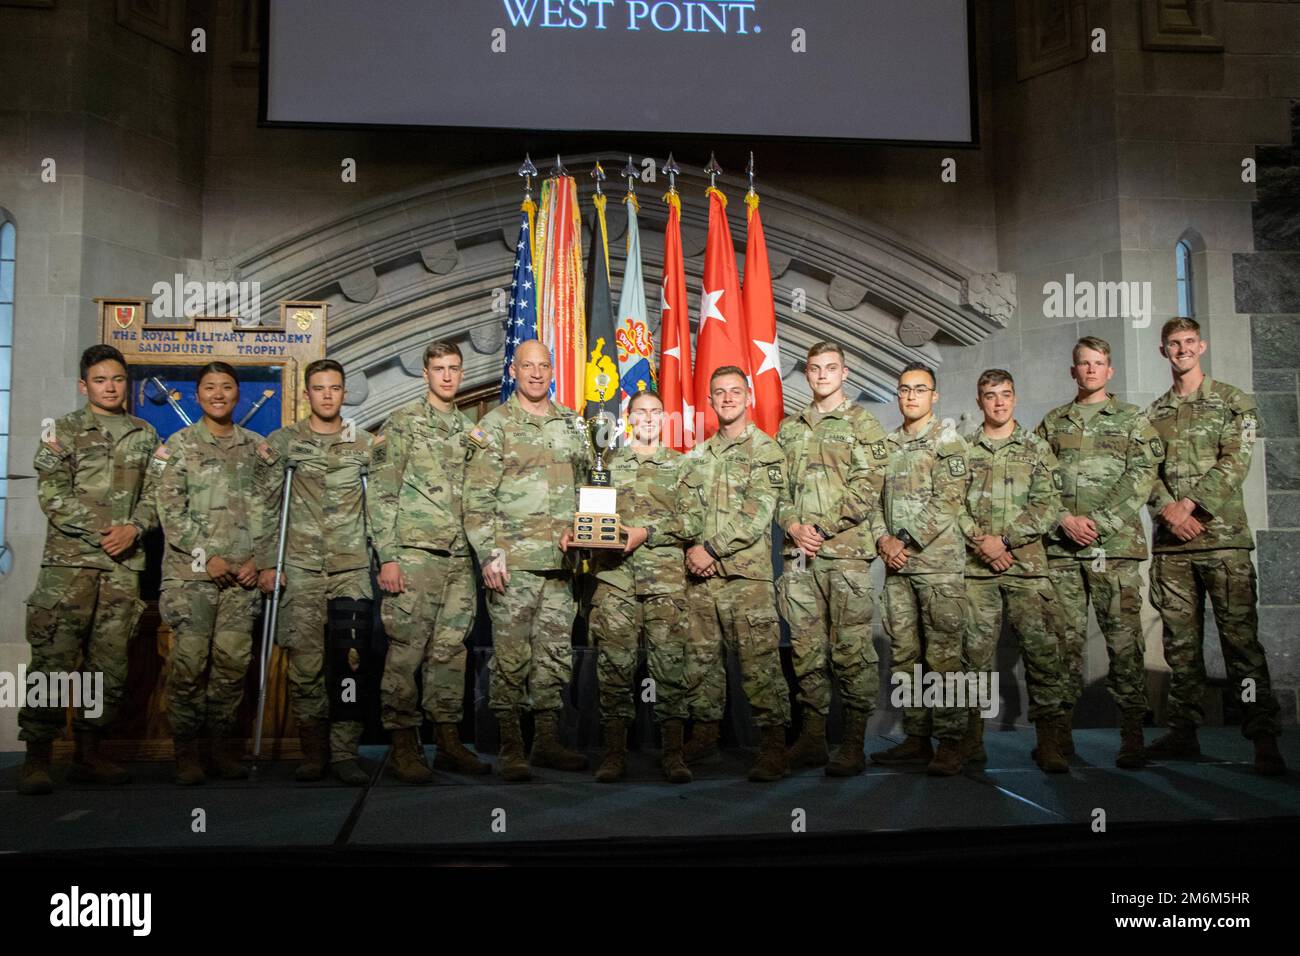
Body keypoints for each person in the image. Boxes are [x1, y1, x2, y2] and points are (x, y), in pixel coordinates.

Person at [19, 344, 162, 796]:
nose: (110, 387)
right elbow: (53, 495)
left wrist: (135, 528)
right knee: (53, 661)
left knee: (108, 665)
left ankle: (89, 753)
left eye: (118, 379)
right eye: (100, 380)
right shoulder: (61, 431)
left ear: (127, 383)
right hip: (69, 567)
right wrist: (108, 530)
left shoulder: (145, 433)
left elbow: (158, 495)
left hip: (123, 570)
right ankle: (37, 758)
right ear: (84, 385)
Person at [1144, 317, 1285, 775]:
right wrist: (1169, 510)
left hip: (1223, 542)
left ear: (1201, 346)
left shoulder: (1234, 402)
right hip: (1173, 549)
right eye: (1173, 344)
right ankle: (1183, 732)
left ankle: (1263, 737)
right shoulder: (1153, 414)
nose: (1182, 350)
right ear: (1163, 350)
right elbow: (1146, 474)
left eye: (1189, 342)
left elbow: (1237, 460)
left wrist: (1192, 506)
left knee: (1239, 643)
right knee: (1180, 646)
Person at [462, 339, 592, 782]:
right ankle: (512, 746)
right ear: (513, 371)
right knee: (512, 658)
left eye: (544, 366)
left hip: (561, 565)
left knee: (554, 658)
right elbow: (476, 498)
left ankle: (547, 742)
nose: (536, 373)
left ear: (552, 371)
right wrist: (488, 553)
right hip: (512, 565)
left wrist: (588, 531)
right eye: (527, 366)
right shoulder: (494, 426)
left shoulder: (573, 424)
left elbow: (589, 490)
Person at [1035, 336, 1161, 770]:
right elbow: (1037, 481)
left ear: (1110, 371)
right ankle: (1059, 739)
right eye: (1083, 363)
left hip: (1116, 549)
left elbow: (1143, 475)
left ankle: (1132, 735)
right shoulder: (1054, 422)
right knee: (1061, 646)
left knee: (1123, 643)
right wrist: (1063, 520)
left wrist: (1101, 523)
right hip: (1062, 552)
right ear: (1073, 371)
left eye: (1099, 363)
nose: (1091, 370)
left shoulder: (1131, 420)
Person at [369, 341, 488, 782]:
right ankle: (403, 742)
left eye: (454, 368)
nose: (447, 376)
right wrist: (389, 558)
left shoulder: (469, 430)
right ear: (425, 374)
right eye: (439, 369)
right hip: (414, 556)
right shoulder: (401, 425)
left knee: (450, 652)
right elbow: (381, 495)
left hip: (459, 558)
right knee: (406, 651)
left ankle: (448, 741)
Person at [256, 359, 377, 786]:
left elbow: (379, 507)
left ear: (344, 393)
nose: (327, 395)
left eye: (335, 388)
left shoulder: (362, 443)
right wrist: (269, 562)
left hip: (351, 569)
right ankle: (313, 751)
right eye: (319, 388)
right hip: (302, 568)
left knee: (351, 661)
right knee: (305, 664)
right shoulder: (283, 442)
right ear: (306, 394)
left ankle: (345, 753)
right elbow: (267, 506)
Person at [775, 341, 887, 777]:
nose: (822, 375)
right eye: (815, 368)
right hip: (798, 556)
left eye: (831, 368)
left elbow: (867, 487)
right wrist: (792, 526)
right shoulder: (790, 429)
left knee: (852, 652)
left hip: (845, 556)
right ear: (806, 374)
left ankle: (854, 743)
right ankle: (812, 740)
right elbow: (778, 490)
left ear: (845, 372)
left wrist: (819, 528)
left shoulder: (864, 424)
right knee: (806, 651)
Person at [677, 365, 791, 782]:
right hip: (702, 580)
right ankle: (705, 739)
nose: (727, 398)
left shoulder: (767, 452)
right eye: (719, 393)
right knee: (701, 663)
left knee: (760, 665)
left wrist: (709, 549)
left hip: (746, 580)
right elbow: (686, 513)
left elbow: (756, 515)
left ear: (749, 398)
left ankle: (774, 747)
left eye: (734, 392)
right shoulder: (698, 457)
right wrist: (691, 549)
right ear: (710, 402)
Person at [573, 389, 693, 784]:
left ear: (663, 418)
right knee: (614, 669)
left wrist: (649, 532)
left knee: (670, 668)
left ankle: (673, 754)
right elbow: (591, 517)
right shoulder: (608, 463)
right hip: (615, 580)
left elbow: (695, 522)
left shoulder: (681, 466)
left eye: (655, 412)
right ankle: (613, 753)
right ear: (628, 418)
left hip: (664, 582)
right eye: (640, 412)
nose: (647, 418)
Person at [156, 362, 265, 785]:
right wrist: (207, 558)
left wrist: (260, 559)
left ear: (238, 393)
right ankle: (186, 755)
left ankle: (219, 750)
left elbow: (269, 510)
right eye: (209, 388)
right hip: (192, 578)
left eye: (226, 387)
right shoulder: (178, 445)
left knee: (232, 666)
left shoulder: (257, 447)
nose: (218, 394)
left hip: (242, 578)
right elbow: (170, 511)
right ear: (197, 394)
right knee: (188, 666)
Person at [959, 369, 1070, 774]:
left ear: (1015, 398)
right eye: (990, 396)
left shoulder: (1037, 449)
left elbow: (1048, 505)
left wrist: (1003, 541)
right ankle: (971, 742)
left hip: (1027, 568)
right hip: (977, 570)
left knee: (1043, 656)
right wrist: (981, 543)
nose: (999, 402)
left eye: (1005, 394)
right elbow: (952, 505)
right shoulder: (963, 451)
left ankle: (1050, 743)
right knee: (972, 658)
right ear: (979, 401)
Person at [868, 362, 974, 776]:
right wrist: (882, 540)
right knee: (904, 656)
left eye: (919, 389)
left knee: (944, 657)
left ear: (935, 396)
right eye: (904, 389)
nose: (910, 396)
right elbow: (872, 502)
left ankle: (950, 742)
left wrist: (905, 543)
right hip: (897, 569)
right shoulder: (887, 444)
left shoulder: (949, 443)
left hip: (937, 569)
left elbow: (948, 501)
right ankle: (915, 738)